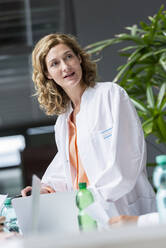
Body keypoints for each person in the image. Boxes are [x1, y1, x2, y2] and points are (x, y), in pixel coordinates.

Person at [21, 33, 156, 218]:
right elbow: (67, 169)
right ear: (47, 74)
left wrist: (90, 199)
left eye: (69, 56)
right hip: (88, 212)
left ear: (79, 58)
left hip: (123, 209)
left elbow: (127, 159)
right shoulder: (63, 121)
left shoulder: (110, 95)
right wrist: (46, 189)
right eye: (55, 63)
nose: (65, 67)